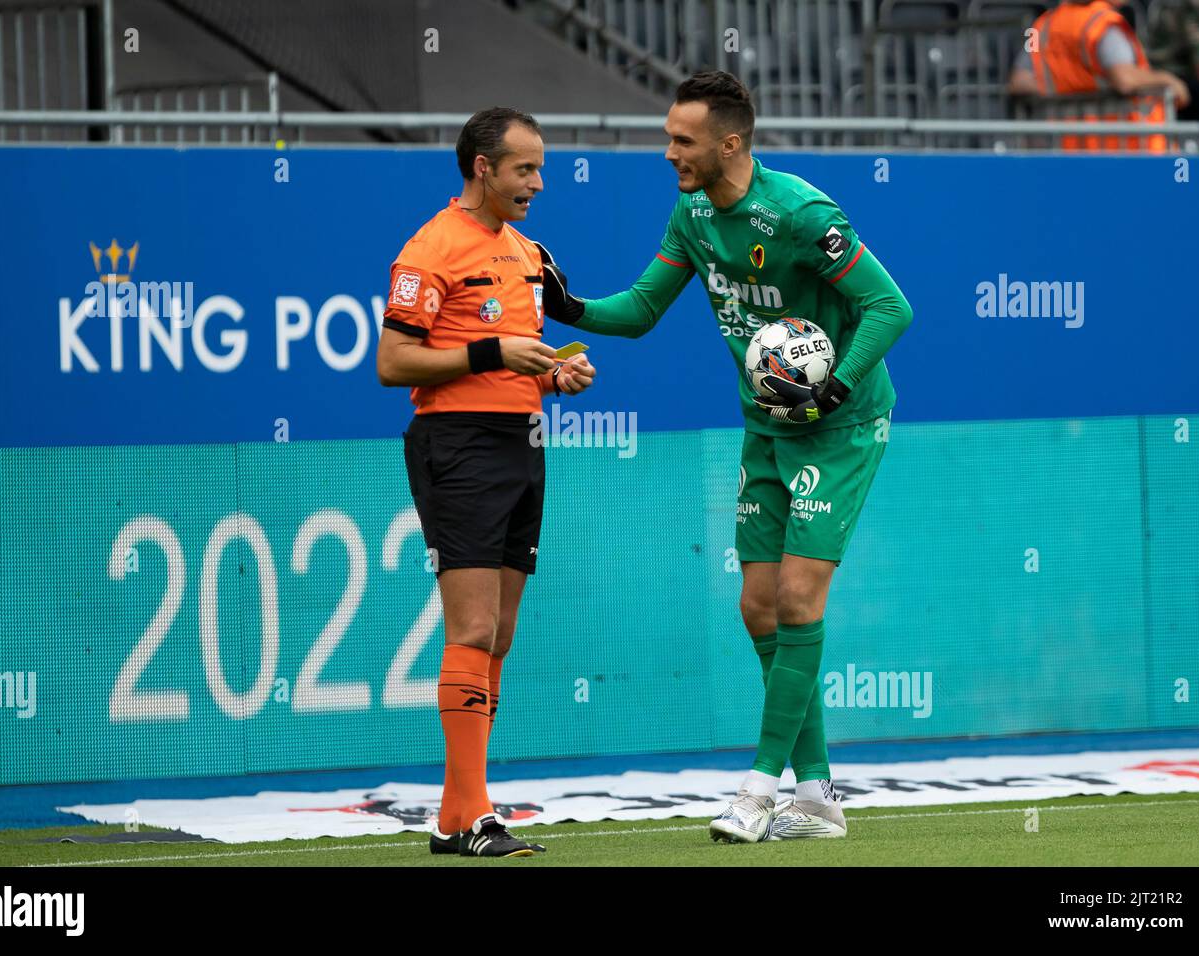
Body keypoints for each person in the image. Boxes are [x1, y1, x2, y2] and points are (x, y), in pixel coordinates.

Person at [537, 71, 911, 843]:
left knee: (801, 603)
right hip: (767, 427)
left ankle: (758, 787)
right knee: (758, 607)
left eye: (682, 140)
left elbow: (889, 306)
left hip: (839, 425)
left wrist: (835, 388)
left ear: (730, 143)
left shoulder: (802, 214)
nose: (668, 151)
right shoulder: (694, 213)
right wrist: (568, 306)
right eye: (669, 136)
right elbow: (641, 309)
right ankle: (818, 796)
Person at [377, 106, 596, 858]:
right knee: (471, 630)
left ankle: (456, 815)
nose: (538, 181)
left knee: (498, 635)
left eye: (540, 167)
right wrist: (492, 353)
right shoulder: (431, 248)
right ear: (482, 168)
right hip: (458, 445)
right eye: (524, 169)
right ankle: (472, 814)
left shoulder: (527, 251)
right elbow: (392, 363)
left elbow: (525, 351)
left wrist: (559, 373)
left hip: (522, 443)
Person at [1007, 0, 1189, 151]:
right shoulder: (1104, 23)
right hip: (1129, 147)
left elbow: (1019, 81)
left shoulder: (1042, 27)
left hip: (1069, 148)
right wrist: (1167, 79)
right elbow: (1124, 79)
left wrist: (1066, 86)